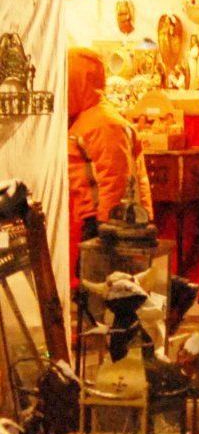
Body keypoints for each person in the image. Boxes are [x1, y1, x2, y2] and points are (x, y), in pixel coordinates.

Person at [67, 45, 153, 276]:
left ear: (77, 82)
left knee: (105, 284)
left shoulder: (103, 123)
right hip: (100, 219)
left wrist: (106, 229)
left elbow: (116, 180)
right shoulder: (89, 119)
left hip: (107, 222)